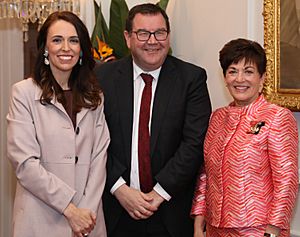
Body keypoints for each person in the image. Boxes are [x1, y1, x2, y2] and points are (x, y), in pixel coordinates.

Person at [95, 3, 211, 237]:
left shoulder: (191, 79)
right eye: (143, 33)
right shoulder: (101, 78)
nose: (152, 41)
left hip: (170, 213)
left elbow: (194, 143)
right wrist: (120, 189)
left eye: (160, 32)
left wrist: (159, 192)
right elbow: (93, 140)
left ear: (168, 36)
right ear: (127, 38)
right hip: (116, 211)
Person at [6, 11, 110, 237]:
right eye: (57, 40)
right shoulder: (23, 93)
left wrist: (85, 212)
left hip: (88, 221)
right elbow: (25, 163)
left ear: (81, 49)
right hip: (40, 218)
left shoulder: (95, 97)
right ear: (45, 48)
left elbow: (99, 157)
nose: (66, 48)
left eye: (73, 40)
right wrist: (70, 210)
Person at [191, 38, 299, 237]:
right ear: (225, 77)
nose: (239, 79)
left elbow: (287, 180)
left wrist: (273, 231)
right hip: (215, 229)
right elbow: (206, 172)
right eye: (232, 71)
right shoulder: (217, 117)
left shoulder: (277, 117)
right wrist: (199, 220)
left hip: (259, 230)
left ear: (262, 77)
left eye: (248, 71)